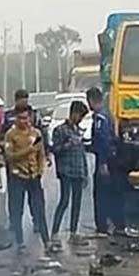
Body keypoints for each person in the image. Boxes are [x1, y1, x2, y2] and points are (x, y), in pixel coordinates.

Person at [86, 87, 131, 237]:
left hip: (105, 160)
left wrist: (103, 163)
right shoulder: (108, 115)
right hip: (113, 159)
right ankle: (119, 225)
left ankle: (102, 227)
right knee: (114, 193)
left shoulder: (100, 118)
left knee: (101, 194)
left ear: (92, 100)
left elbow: (103, 140)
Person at [3, 103, 49, 251]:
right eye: (21, 118)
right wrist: (28, 150)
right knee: (17, 211)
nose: (25, 121)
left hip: (33, 176)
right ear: (16, 118)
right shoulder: (11, 135)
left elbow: (41, 153)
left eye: (27, 118)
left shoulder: (36, 133)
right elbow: (9, 156)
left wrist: (40, 170)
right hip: (18, 176)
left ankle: (46, 241)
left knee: (39, 210)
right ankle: (19, 241)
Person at [50, 100, 89, 247]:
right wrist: (68, 144)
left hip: (78, 171)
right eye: (79, 116)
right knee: (64, 200)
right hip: (66, 170)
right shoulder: (60, 130)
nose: (80, 119)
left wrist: (85, 173)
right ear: (73, 113)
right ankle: (54, 233)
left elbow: (82, 154)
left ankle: (73, 232)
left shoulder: (78, 131)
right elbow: (55, 150)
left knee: (77, 203)